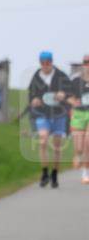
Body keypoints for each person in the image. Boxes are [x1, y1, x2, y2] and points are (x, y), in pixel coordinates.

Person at [28, 51, 70, 188]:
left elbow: (70, 91)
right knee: (43, 140)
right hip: (42, 113)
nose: (45, 65)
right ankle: (45, 172)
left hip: (58, 114)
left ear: (51, 62)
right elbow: (31, 94)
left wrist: (63, 94)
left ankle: (54, 174)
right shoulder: (36, 76)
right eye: (42, 62)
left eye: (48, 62)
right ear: (40, 62)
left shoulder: (61, 75)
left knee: (57, 146)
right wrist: (34, 100)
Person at [66, 55, 89, 184]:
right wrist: (73, 102)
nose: (88, 65)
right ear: (83, 64)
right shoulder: (75, 79)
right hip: (79, 113)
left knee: (88, 144)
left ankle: (85, 173)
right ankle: (78, 155)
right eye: (86, 63)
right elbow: (68, 96)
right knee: (79, 147)